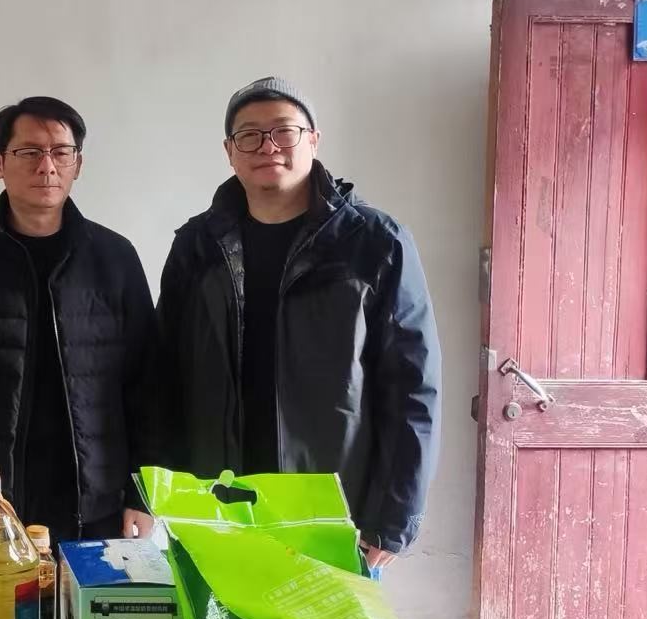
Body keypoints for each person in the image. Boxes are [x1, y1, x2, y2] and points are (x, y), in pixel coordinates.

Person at [154, 77, 441, 573]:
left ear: (313, 140)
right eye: (249, 135)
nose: (268, 147)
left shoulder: (374, 242)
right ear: (229, 151)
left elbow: (413, 387)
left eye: (284, 131)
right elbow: (164, 373)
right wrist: (168, 494)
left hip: (333, 510)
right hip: (218, 504)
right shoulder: (197, 246)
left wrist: (394, 517)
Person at [0, 97, 159, 543]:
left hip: (96, 500)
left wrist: (142, 494)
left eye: (61, 152)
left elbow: (148, 385)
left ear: (77, 164)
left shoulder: (115, 258)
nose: (47, 166)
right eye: (29, 152)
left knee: (87, 593)